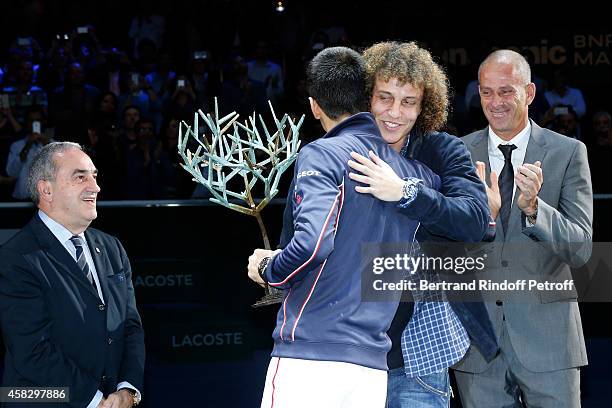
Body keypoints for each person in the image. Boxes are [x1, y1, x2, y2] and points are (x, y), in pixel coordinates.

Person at [247, 46, 440, 408]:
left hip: (309, 356)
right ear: (368, 99)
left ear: (314, 106)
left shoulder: (321, 153)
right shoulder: (418, 178)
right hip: (370, 370)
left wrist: (268, 269)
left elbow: (312, 245)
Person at [345, 41, 499, 407]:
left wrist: (405, 192)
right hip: (348, 352)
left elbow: (476, 220)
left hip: (417, 358)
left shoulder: (442, 149)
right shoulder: (339, 150)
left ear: (424, 105)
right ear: (366, 98)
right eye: (384, 98)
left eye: (408, 101)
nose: (395, 112)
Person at [453, 49, 592, 407]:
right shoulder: (458, 155)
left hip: (549, 344)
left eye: (505, 91)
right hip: (477, 348)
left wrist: (535, 211)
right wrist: (480, 221)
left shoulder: (568, 152)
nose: (494, 102)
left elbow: (580, 248)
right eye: (486, 92)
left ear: (528, 93)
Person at [0, 142, 145, 408]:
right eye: (80, 177)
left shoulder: (111, 248)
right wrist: (95, 401)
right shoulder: (15, 259)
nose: (95, 186)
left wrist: (128, 388)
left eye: (95, 176)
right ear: (47, 190)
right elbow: (32, 352)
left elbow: (130, 327)